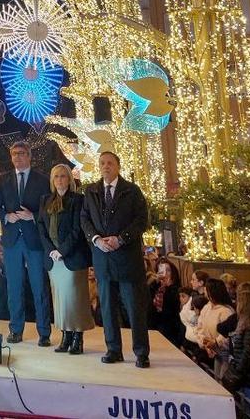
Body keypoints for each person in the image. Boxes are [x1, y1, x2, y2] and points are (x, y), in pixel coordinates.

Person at [80, 151, 151, 368]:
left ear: (118, 166)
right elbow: (85, 218)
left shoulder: (132, 190)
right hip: (102, 257)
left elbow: (141, 220)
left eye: (110, 163)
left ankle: (141, 352)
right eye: (102, 163)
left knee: (134, 308)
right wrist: (96, 239)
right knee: (107, 309)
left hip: (127, 257)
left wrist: (121, 239)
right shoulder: (90, 191)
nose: (105, 166)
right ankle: (113, 349)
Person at [0, 141, 52, 346]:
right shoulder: (3, 179)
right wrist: (5, 216)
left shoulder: (42, 180)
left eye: (21, 153)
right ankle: (15, 330)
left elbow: (50, 207)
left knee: (39, 287)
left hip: (34, 240)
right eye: (14, 154)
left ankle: (44, 332)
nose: (17, 157)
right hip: (11, 241)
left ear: (29, 156)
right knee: (14, 288)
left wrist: (33, 216)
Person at [37, 163, 94, 354]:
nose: (60, 179)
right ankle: (65, 336)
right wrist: (51, 250)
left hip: (72, 258)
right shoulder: (45, 199)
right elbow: (41, 228)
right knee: (60, 300)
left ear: (69, 179)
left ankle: (78, 338)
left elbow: (78, 230)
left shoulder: (78, 200)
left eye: (63, 176)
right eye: (56, 177)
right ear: (52, 181)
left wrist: (62, 251)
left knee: (74, 299)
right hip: (53, 259)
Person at [148, 258, 184, 347]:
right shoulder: (154, 287)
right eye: (161, 270)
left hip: (170, 327)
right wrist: (153, 285)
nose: (165, 273)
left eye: (168, 270)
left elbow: (173, 311)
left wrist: (168, 287)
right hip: (154, 325)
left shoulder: (176, 289)